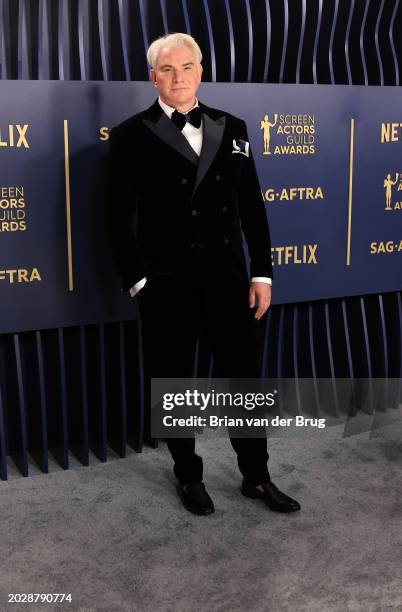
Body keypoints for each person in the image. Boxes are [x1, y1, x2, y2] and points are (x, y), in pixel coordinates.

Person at [107, 32, 300, 516]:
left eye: (187, 67)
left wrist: (263, 274)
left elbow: (252, 207)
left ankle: (256, 477)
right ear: (153, 76)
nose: (179, 77)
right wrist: (140, 283)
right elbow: (115, 218)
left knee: (245, 384)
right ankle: (188, 475)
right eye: (168, 69)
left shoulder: (232, 126)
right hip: (166, 285)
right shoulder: (130, 134)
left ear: (200, 70)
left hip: (229, 281)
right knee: (173, 386)